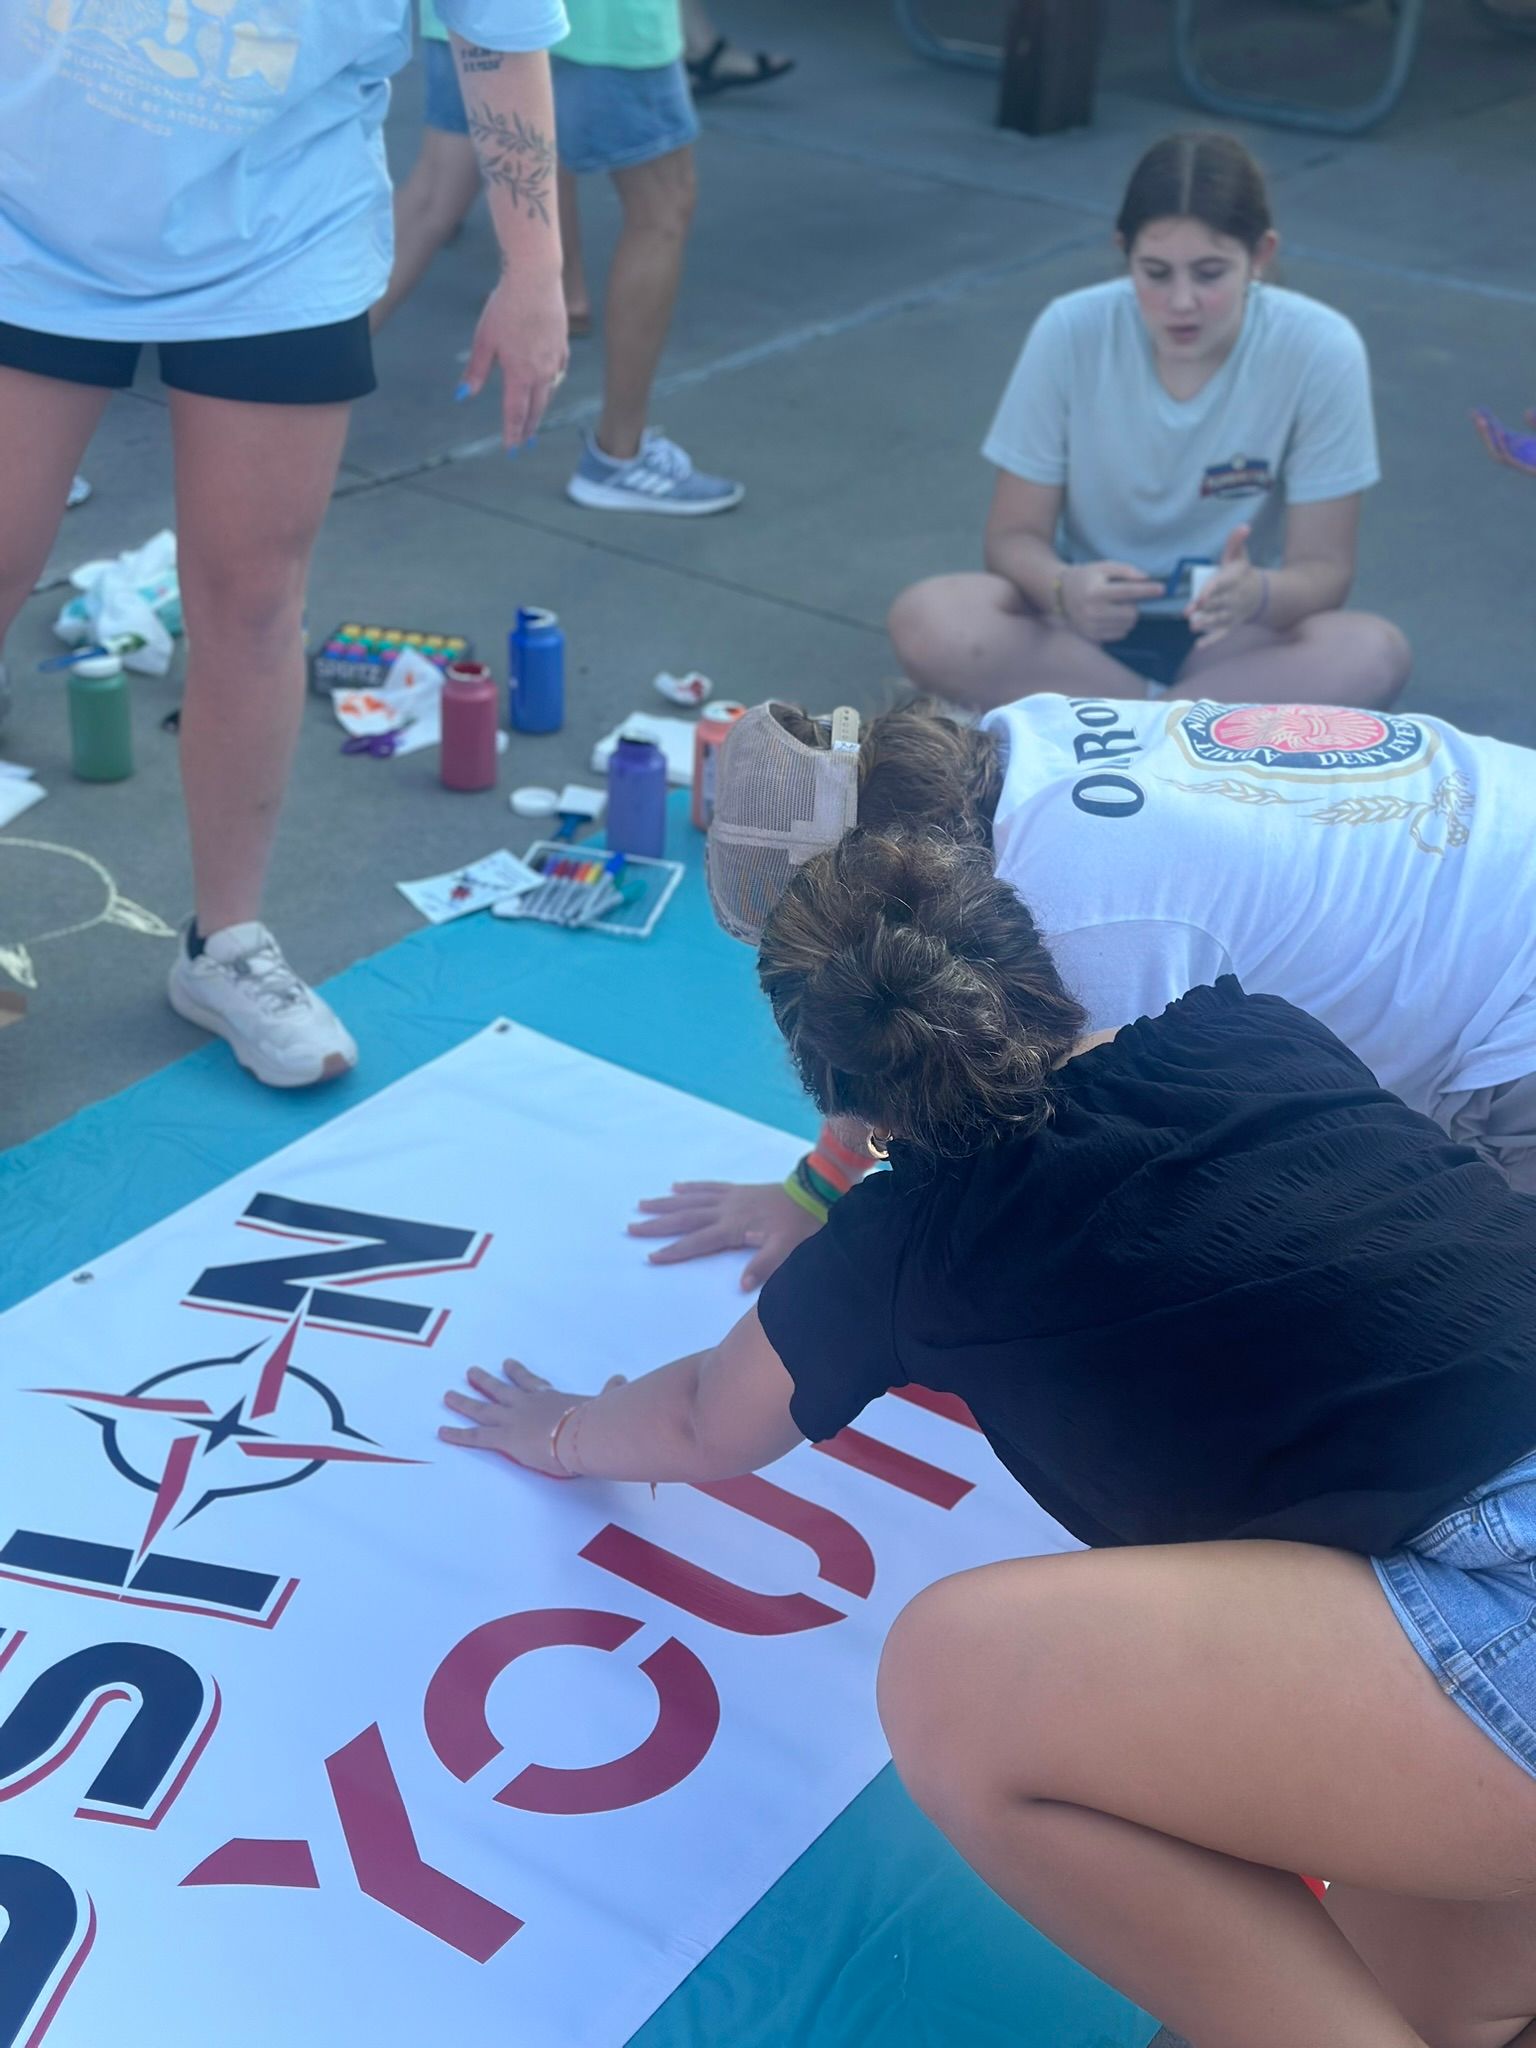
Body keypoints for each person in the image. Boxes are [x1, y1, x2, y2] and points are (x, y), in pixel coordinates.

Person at [441, 822, 1536, 2047]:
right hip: (1481, 1555)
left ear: (846, 1107)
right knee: (1408, 1992)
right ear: (1040, 959)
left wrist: (562, 1429)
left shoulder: (908, 1240)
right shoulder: (1249, 1022)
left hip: (1508, 1592)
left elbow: (706, 1415)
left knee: (958, 1678)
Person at [0, 4, 567, 1088]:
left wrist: (533, 266)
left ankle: (228, 947)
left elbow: (496, 34)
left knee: (253, 601)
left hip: (275, 239)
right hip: (25, 216)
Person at [630, 692, 1536, 1285]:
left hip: (1511, 1010)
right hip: (1503, 817)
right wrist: (818, 1185)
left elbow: (1102, 1200)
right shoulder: (1017, 739)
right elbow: (883, 993)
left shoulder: (1079, 936)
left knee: (1475, 1325)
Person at [888, 131, 1412, 707]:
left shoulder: (1319, 346)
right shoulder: (1071, 329)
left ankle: (1118, 724)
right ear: (1124, 252)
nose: (1181, 301)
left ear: (1259, 256)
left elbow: (1325, 570)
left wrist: (1258, 593)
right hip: (1084, 629)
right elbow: (1013, 538)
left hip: (1229, 636)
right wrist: (1065, 588)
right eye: (1156, 272)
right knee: (929, 617)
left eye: (1210, 273)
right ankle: (1181, 730)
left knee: (1373, 652)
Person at [382, 0, 744, 516]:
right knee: (662, 204)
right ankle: (620, 454)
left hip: (471, 13)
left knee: (433, 198)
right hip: (603, 22)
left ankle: (281, 395)